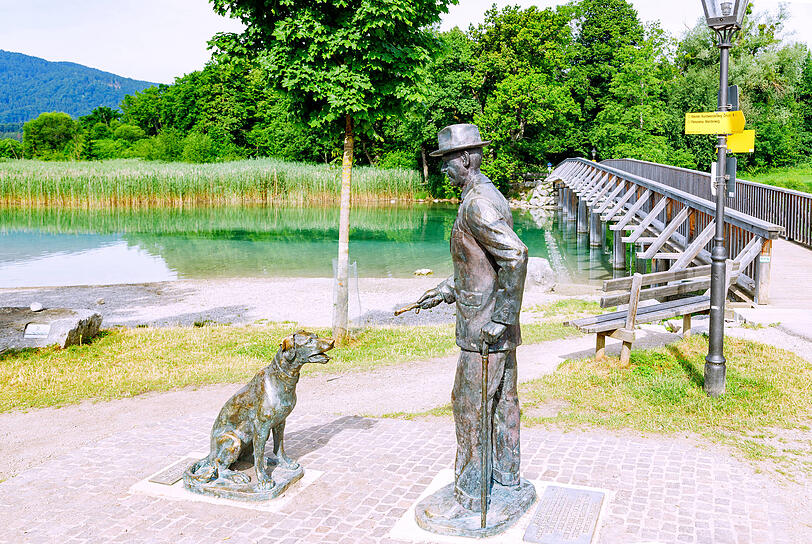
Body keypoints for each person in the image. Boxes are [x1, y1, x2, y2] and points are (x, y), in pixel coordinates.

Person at [409, 124, 534, 534]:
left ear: (465, 159)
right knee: (502, 406)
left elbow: (515, 256)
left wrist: (499, 318)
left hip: (485, 333)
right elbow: (483, 265)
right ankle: (507, 480)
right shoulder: (489, 194)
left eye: (447, 162)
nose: (444, 169)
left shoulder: (475, 206)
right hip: (495, 329)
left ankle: (470, 498)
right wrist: (447, 289)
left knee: (469, 408)